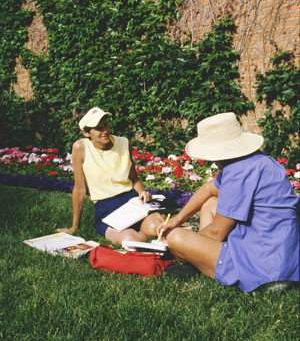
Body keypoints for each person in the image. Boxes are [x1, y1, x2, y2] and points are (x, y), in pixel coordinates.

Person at [157, 112, 300, 292]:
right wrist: (178, 219)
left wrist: (181, 246)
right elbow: (209, 189)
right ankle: (200, 259)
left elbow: (217, 232)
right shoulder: (261, 161)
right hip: (285, 260)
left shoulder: (237, 172)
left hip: (262, 269)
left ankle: (195, 262)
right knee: (210, 204)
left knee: (176, 238)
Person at [57, 107, 165, 244]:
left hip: (132, 202)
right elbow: (79, 189)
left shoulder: (123, 143)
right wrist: (74, 227)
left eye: (106, 125)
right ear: (86, 132)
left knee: (158, 228)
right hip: (106, 208)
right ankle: (145, 233)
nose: (106, 131)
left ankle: (149, 227)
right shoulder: (80, 148)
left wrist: (142, 192)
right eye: (99, 128)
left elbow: (134, 179)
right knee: (129, 239)